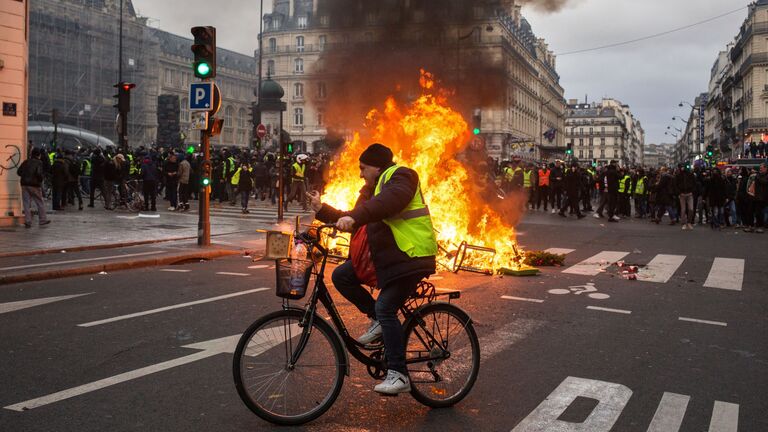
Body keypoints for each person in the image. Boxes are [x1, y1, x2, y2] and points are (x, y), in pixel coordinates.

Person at [308, 143, 437, 395]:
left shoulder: (402, 176)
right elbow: (356, 215)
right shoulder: (371, 189)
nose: (359, 173)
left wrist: (356, 216)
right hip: (390, 258)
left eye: (363, 168)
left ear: (377, 166)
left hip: (411, 256)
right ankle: (378, 320)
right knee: (342, 275)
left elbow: (388, 203)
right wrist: (322, 211)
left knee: (386, 307)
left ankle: (399, 374)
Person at [17, 148, 51, 228]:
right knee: (39, 202)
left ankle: (28, 221)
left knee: (26, 203)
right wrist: (41, 179)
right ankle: (42, 220)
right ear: (39, 155)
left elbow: (19, 172)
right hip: (34, 185)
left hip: (24, 184)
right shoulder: (39, 162)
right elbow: (39, 173)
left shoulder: (26, 161)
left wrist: (25, 176)